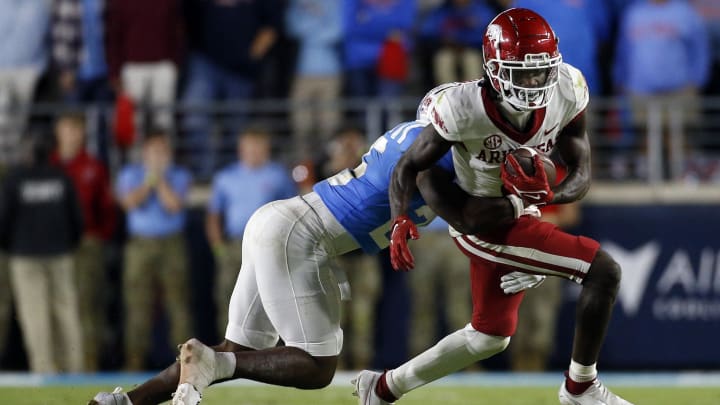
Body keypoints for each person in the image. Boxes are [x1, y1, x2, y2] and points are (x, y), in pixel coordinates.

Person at [88, 119, 543, 405]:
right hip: (298, 235)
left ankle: (127, 401)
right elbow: (465, 218)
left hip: (275, 222)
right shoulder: (432, 163)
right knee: (316, 366)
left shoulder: (423, 142)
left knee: (238, 351)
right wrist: (523, 226)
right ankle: (207, 363)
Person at [354, 8, 632, 405]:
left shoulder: (569, 88)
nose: (535, 82)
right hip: (479, 219)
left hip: (517, 213)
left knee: (489, 335)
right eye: (523, 73)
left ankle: (382, 388)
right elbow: (411, 167)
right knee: (603, 271)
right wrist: (400, 217)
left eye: (541, 71)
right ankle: (580, 387)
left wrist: (546, 197)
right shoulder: (462, 108)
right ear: (494, 68)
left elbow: (582, 172)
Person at [0, 133, 84, 373]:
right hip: (60, 254)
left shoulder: (15, 179)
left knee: (35, 315)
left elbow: (3, 220)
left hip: (25, 256)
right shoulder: (61, 177)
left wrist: (11, 247)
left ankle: (44, 371)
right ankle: (74, 371)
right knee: (66, 312)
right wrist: (68, 244)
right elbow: (77, 220)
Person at [206, 127, 297, 339]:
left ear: (266, 149)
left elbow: (292, 210)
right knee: (229, 297)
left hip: (268, 246)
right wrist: (218, 247)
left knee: (272, 298)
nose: (254, 151)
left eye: (259, 147)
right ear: (241, 149)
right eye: (249, 147)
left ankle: (269, 352)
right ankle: (228, 350)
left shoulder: (278, 175)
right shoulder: (225, 177)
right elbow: (214, 215)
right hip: (233, 246)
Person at [115, 130, 193, 371]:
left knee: (178, 303)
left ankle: (187, 363)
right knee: (137, 304)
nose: (158, 156)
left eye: (162, 151)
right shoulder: (130, 174)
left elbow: (173, 205)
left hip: (172, 243)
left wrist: (159, 180)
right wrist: (148, 181)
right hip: (140, 245)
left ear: (169, 153)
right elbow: (129, 203)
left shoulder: (180, 175)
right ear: (144, 153)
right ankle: (135, 362)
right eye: (153, 151)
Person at [51, 111, 117, 371]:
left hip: (86, 245)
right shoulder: (48, 165)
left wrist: (98, 236)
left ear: (83, 133)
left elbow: (107, 209)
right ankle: (55, 365)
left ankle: (88, 366)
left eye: (76, 129)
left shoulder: (94, 167)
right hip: (52, 248)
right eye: (66, 128)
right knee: (54, 306)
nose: (71, 134)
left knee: (88, 306)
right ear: (58, 132)